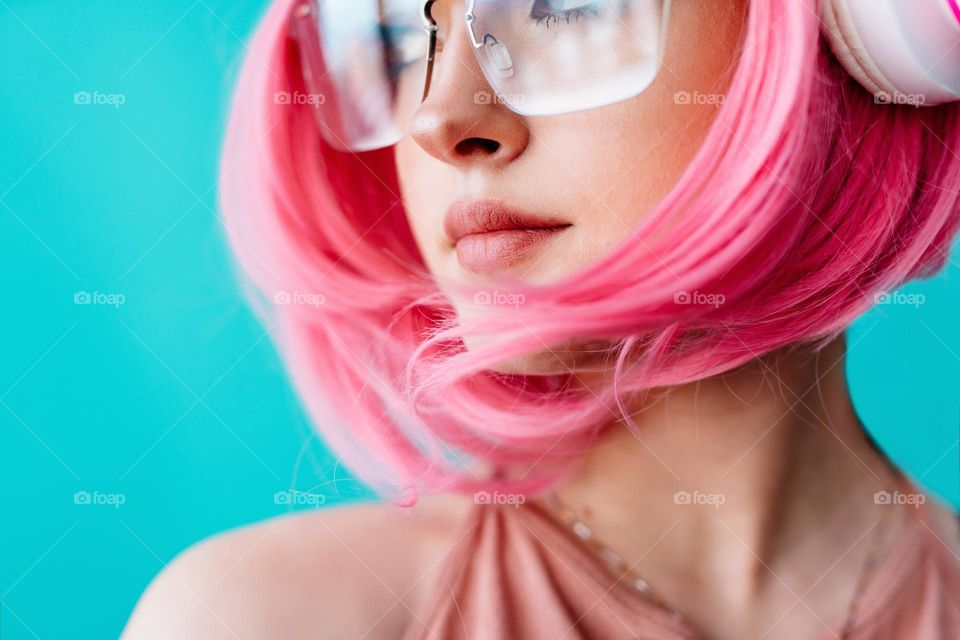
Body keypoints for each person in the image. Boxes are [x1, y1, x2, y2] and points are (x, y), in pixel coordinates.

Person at [123, 0, 960, 638]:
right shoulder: (262, 617)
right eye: (399, 40)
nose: (440, 118)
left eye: (563, 4)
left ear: (858, 33)